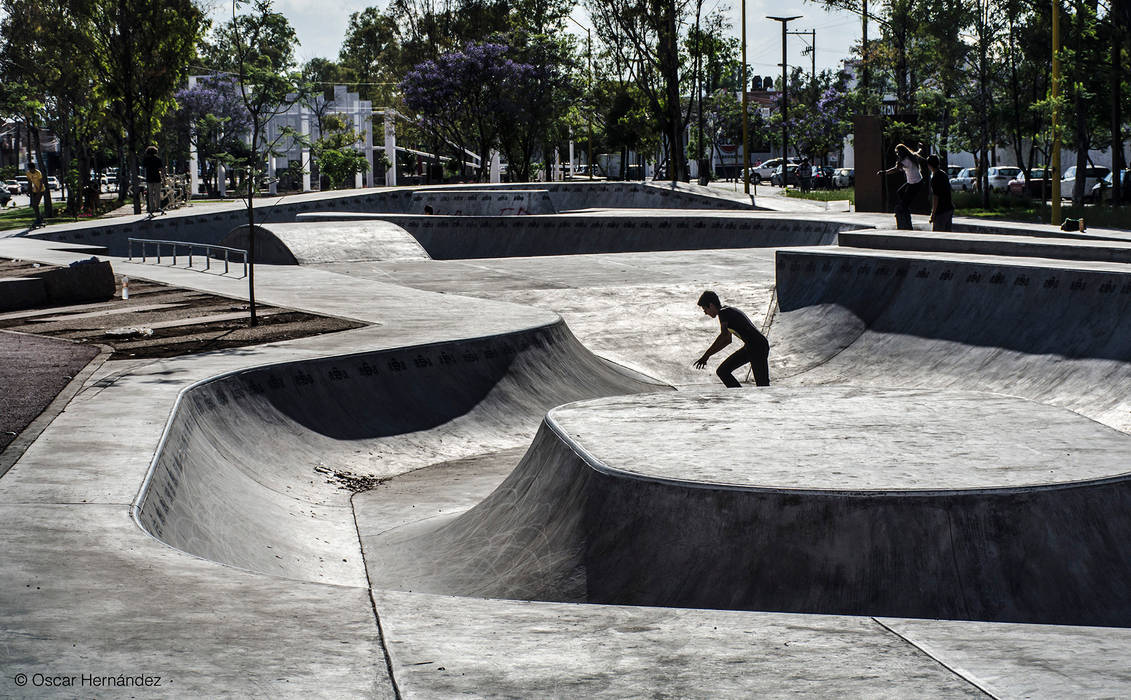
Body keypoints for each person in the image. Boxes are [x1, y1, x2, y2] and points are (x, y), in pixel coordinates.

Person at [693, 290, 770, 388]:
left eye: (705, 309)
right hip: (751, 347)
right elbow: (727, 340)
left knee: (762, 386)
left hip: (758, 347)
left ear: (711, 305)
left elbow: (723, 336)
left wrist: (706, 355)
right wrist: (707, 356)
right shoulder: (727, 312)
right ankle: (740, 397)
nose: (705, 313)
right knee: (723, 371)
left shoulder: (724, 313)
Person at [877, 143, 927, 229]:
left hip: (915, 184)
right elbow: (919, 152)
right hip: (913, 182)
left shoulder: (905, 161)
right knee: (900, 192)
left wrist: (884, 172)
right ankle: (905, 208)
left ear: (901, 153)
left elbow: (895, 170)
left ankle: (905, 217)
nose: (897, 155)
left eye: (897, 153)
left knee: (903, 204)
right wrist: (921, 148)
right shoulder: (912, 156)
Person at [926, 154, 954, 232]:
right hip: (949, 208)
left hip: (941, 211)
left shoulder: (935, 178)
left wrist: (933, 213)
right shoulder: (943, 174)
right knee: (948, 233)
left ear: (929, 165)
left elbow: (936, 197)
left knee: (938, 234)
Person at [142, 145, 165, 215]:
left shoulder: (146, 159)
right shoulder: (158, 159)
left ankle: (151, 208)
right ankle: (158, 207)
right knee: (157, 193)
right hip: (157, 177)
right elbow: (161, 169)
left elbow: (144, 167)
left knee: (150, 194)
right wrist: (163, 176)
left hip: (149, 178)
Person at [26, 161, 45, 227]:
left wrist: (39, 193)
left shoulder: (38, 173)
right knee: (34, 205)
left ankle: (38, 219)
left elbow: (41, 183)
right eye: (30, 169)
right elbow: (29, 182)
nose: (31, 171)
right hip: (34, 190)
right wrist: (28, 190)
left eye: (32, 169)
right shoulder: (28, 173)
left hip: (41, 190)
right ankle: (40, 218)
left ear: (34, 168)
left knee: (35, 204)